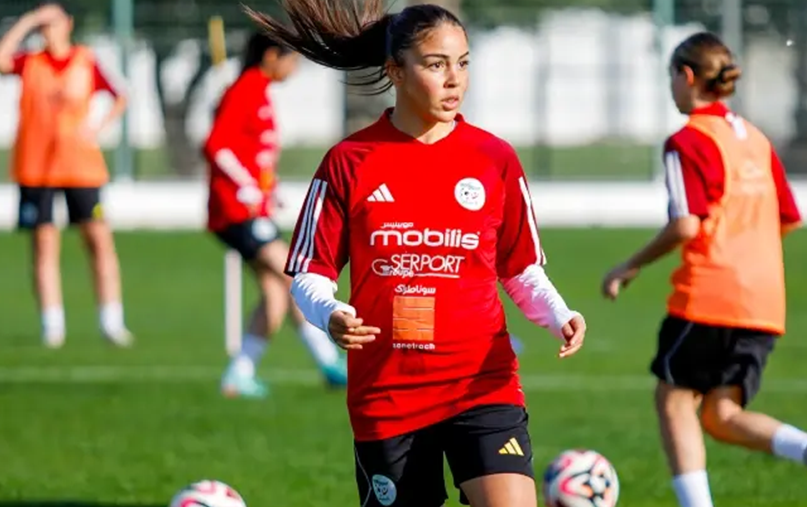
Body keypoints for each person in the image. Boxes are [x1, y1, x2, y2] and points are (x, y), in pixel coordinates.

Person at [245, 1, 587, 506]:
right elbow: (308, 274)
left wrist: (559, 312)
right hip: (388, 395)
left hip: (482, 384)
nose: (455, 80)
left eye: (463, 63)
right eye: (436, 64)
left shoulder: (494, 159)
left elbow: (519, 268)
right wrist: (330, 313)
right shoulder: (349, 162)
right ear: (395, 71)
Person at [600, 32, 807, 507]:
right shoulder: (755, 138)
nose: (671, 87)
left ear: (688, 76)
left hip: (711, 293)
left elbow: (684, 224)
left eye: (671, 76)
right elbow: (788, 217)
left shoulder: (688, 140)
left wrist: (628, 266)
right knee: (719, 414)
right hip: (764, 301)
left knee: (673, 400)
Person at [205, 31, 347, 397]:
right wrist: (244, 185)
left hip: (254, 208)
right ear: (271, 56)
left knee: (275, 294)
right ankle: (329, 362)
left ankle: (239, 374)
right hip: (236, 212)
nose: (294, 68)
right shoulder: (245, 90)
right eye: (291, 59)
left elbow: (252, 152)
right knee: (295, 275)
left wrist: (270, 189)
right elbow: (216, 146)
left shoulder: (258, 92)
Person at [0, 1, 132, 348]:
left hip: (81, 168)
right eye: (43, 23)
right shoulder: (30, 62)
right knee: (43, 245)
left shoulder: (85, 60)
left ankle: (111, 321)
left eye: (52, 21)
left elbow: (119, 96)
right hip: (36, 168)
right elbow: (0, 60)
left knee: (98, 241)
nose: (47, 28)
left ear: (68, 24)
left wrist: (97, 128)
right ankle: (52, 325)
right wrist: (26, 21)